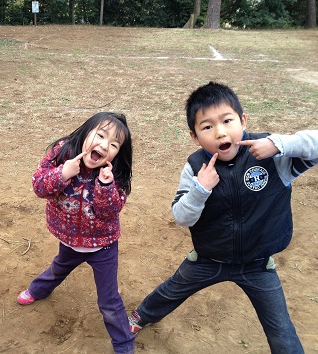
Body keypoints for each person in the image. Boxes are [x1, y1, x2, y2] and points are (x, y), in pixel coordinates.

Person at [128, 81, 318, 353]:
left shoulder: (271, 156)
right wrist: (200, 189)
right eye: (207, 126)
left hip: (258, 264)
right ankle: (141, 316)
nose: (219, 132)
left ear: (242, 120)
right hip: (209, 259)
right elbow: (182, 217)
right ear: (194, 136)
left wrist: (279, 144)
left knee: (281, 330)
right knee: (172, 290)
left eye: (227, 121)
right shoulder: (195, 167)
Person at [17, 112, 135, 354]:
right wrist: (63, 173)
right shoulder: (62, 153)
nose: (104, 145)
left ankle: (123, 344)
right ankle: (38, 289)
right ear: (86, 131)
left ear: (117, 153)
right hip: (69, 240)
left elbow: (108, 213)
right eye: (100, 135)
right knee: (59, 267)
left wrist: (104, 185)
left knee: (109, 301)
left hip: (102, 247)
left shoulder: (115, 175)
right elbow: (39, 186)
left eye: (114, 145)